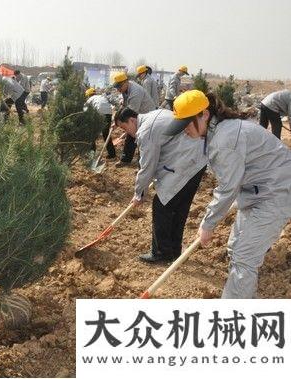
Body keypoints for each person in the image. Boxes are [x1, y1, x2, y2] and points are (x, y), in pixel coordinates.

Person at [164, 90, 291, 298]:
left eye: (187, 123)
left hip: (277, 192)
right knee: (234, 247)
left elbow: (227, 188)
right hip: (258, 191)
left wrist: (208, 224)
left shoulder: (224, 139)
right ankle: (244, 292)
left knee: (244, 258)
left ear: (204, 115)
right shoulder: (219, 131)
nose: (184, 130)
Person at [114, 107, 207, 263]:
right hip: (197, 161)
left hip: (185, 163)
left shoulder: (146, 131)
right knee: (179, 208)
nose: (127, 133)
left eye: (124, 128)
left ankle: (161, 253)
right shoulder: (156, 114)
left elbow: (147, 167)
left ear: (131, 120)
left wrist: (139, 194)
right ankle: (174, 251)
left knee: (161, 206)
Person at [111, 72, 156, 166]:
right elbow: (124, 106)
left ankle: (142, 164)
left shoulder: (136, 92)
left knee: (142, 138)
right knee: (131, 137)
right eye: (117, 87)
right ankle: (126, 160)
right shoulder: (125, 89)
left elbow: (130, 112)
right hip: (137, 114)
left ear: (126, 82)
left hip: (147, 115)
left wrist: (123, 125)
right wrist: (116, 121)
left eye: (120, 87)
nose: (119, 90)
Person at [84, 88, 115, 158]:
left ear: (88, 95)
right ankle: (112, 154)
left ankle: (92, 154)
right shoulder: (101, 97)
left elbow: (84, 111)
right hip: (108, 113)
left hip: (99, 113)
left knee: (91, 134)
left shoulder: (90, 99)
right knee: (106, 134)